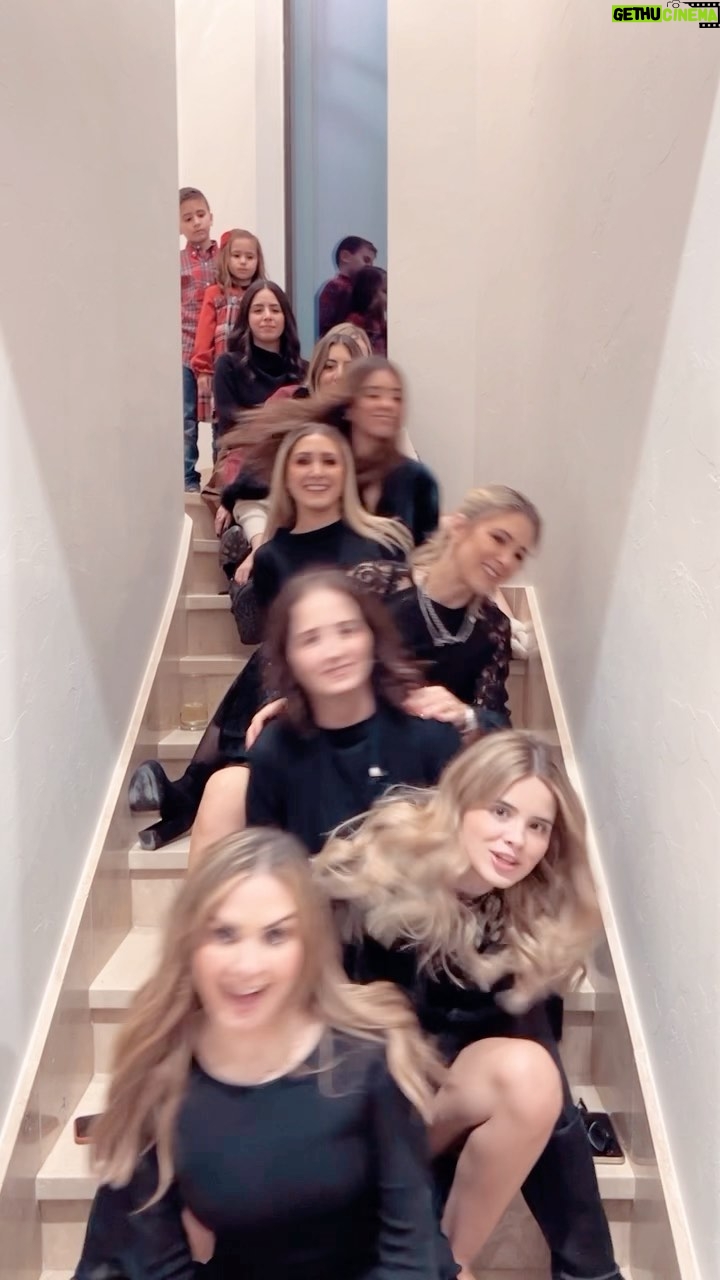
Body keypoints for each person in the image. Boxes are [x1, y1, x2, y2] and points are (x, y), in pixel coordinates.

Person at [72, 829, 454, 1280]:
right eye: (224, 934)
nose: (246, 965)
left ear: (308, 947)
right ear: (189, 942)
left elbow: (410, 1253)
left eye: (275, 935)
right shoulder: (160, 1074)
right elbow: (157, 1265)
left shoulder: (369, 1057)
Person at [315, 732, 624, 1280]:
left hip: (425, 1118)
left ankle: (448, 1262)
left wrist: (593, 1270)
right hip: (336, 1111)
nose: (516, 840)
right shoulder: (375, 874)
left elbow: (546, 1096)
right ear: (460, 800)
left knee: (531, 1076)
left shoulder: (519, 918)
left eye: (537, 826)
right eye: (501, 811)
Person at [128, 426, 411, 850]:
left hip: (358, 688)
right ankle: (196, 796)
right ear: (285, 476)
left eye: (329, 461)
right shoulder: (275, 554)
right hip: (290, 678)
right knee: (272, 656)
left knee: (273, 662)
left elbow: (398, 634)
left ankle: (187, 795)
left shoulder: (380, 543)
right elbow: (277, 637)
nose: (316, 471)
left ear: (347, 472)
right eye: (303, 461)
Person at [191, 570, 462, 862]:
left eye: (347, 630)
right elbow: (273, 868)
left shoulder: (431, 737)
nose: (334, 652)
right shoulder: (274, 750)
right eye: (311, 640)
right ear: (288, 657)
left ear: (372, 637)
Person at [248, 485, 540, 748]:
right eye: (498, 539)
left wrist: (465, 715)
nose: (506, 560)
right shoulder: (378, 584)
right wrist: (280, 697)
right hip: (339, 745)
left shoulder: (493, 627)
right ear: (459, 527)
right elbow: (294, 640)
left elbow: (497, 721)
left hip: (422, 763)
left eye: (519, 555)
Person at [220, 356, 440, 549]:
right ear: (350, 406)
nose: (387, 405)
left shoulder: (416, 478)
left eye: (396, 397)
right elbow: (251, 489)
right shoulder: (324, 463)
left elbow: (426, 551)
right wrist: (260, 544)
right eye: (374, 395)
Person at [216, 324, 372, 585]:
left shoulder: (374, 432)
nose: (339, 375)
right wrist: (261, 545)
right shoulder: (291, 414)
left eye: (349, 366)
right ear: (316, 372)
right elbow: (252, 484)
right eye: (330, 366)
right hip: (289, 535)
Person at [191, 228, 266, 438]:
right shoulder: (215, 293)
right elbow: (204, 334)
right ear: (226, 259)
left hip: (253, 373)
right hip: (224, 375)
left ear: (258, 261)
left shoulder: (261, 294)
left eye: (249, 257)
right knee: (223, 430)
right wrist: (203, 370)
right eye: (237, 256)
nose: (243, 262)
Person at [212, 279, 304, 439]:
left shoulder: (304, 371)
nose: (267, 316)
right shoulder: (228, 366)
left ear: (285, 317)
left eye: (275, 310)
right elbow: (230, 429)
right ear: (246, 317)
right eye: (258, 310)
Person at [179, 186, 217, 492]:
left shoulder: (227, 258)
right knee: (185, 420)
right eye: (188, 218)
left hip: (219, 353)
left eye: (200, 214)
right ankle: (188, 480)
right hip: (184, 351)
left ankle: (220, 478)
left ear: (211, 217)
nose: (196, 222)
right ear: (179, 226)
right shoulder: (176, 262)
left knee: (221, 417)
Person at [317, 235, 377, 336]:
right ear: (345, 256)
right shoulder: (335, 287)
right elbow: (327, 328)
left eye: (372, 263)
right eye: (366, 260)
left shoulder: (361, 290)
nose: (370, 267)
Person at [346, 266, 387, 355]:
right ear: (370, 293)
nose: (388, 297)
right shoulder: (356, 322)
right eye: (385, 291)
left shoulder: (380, 322)